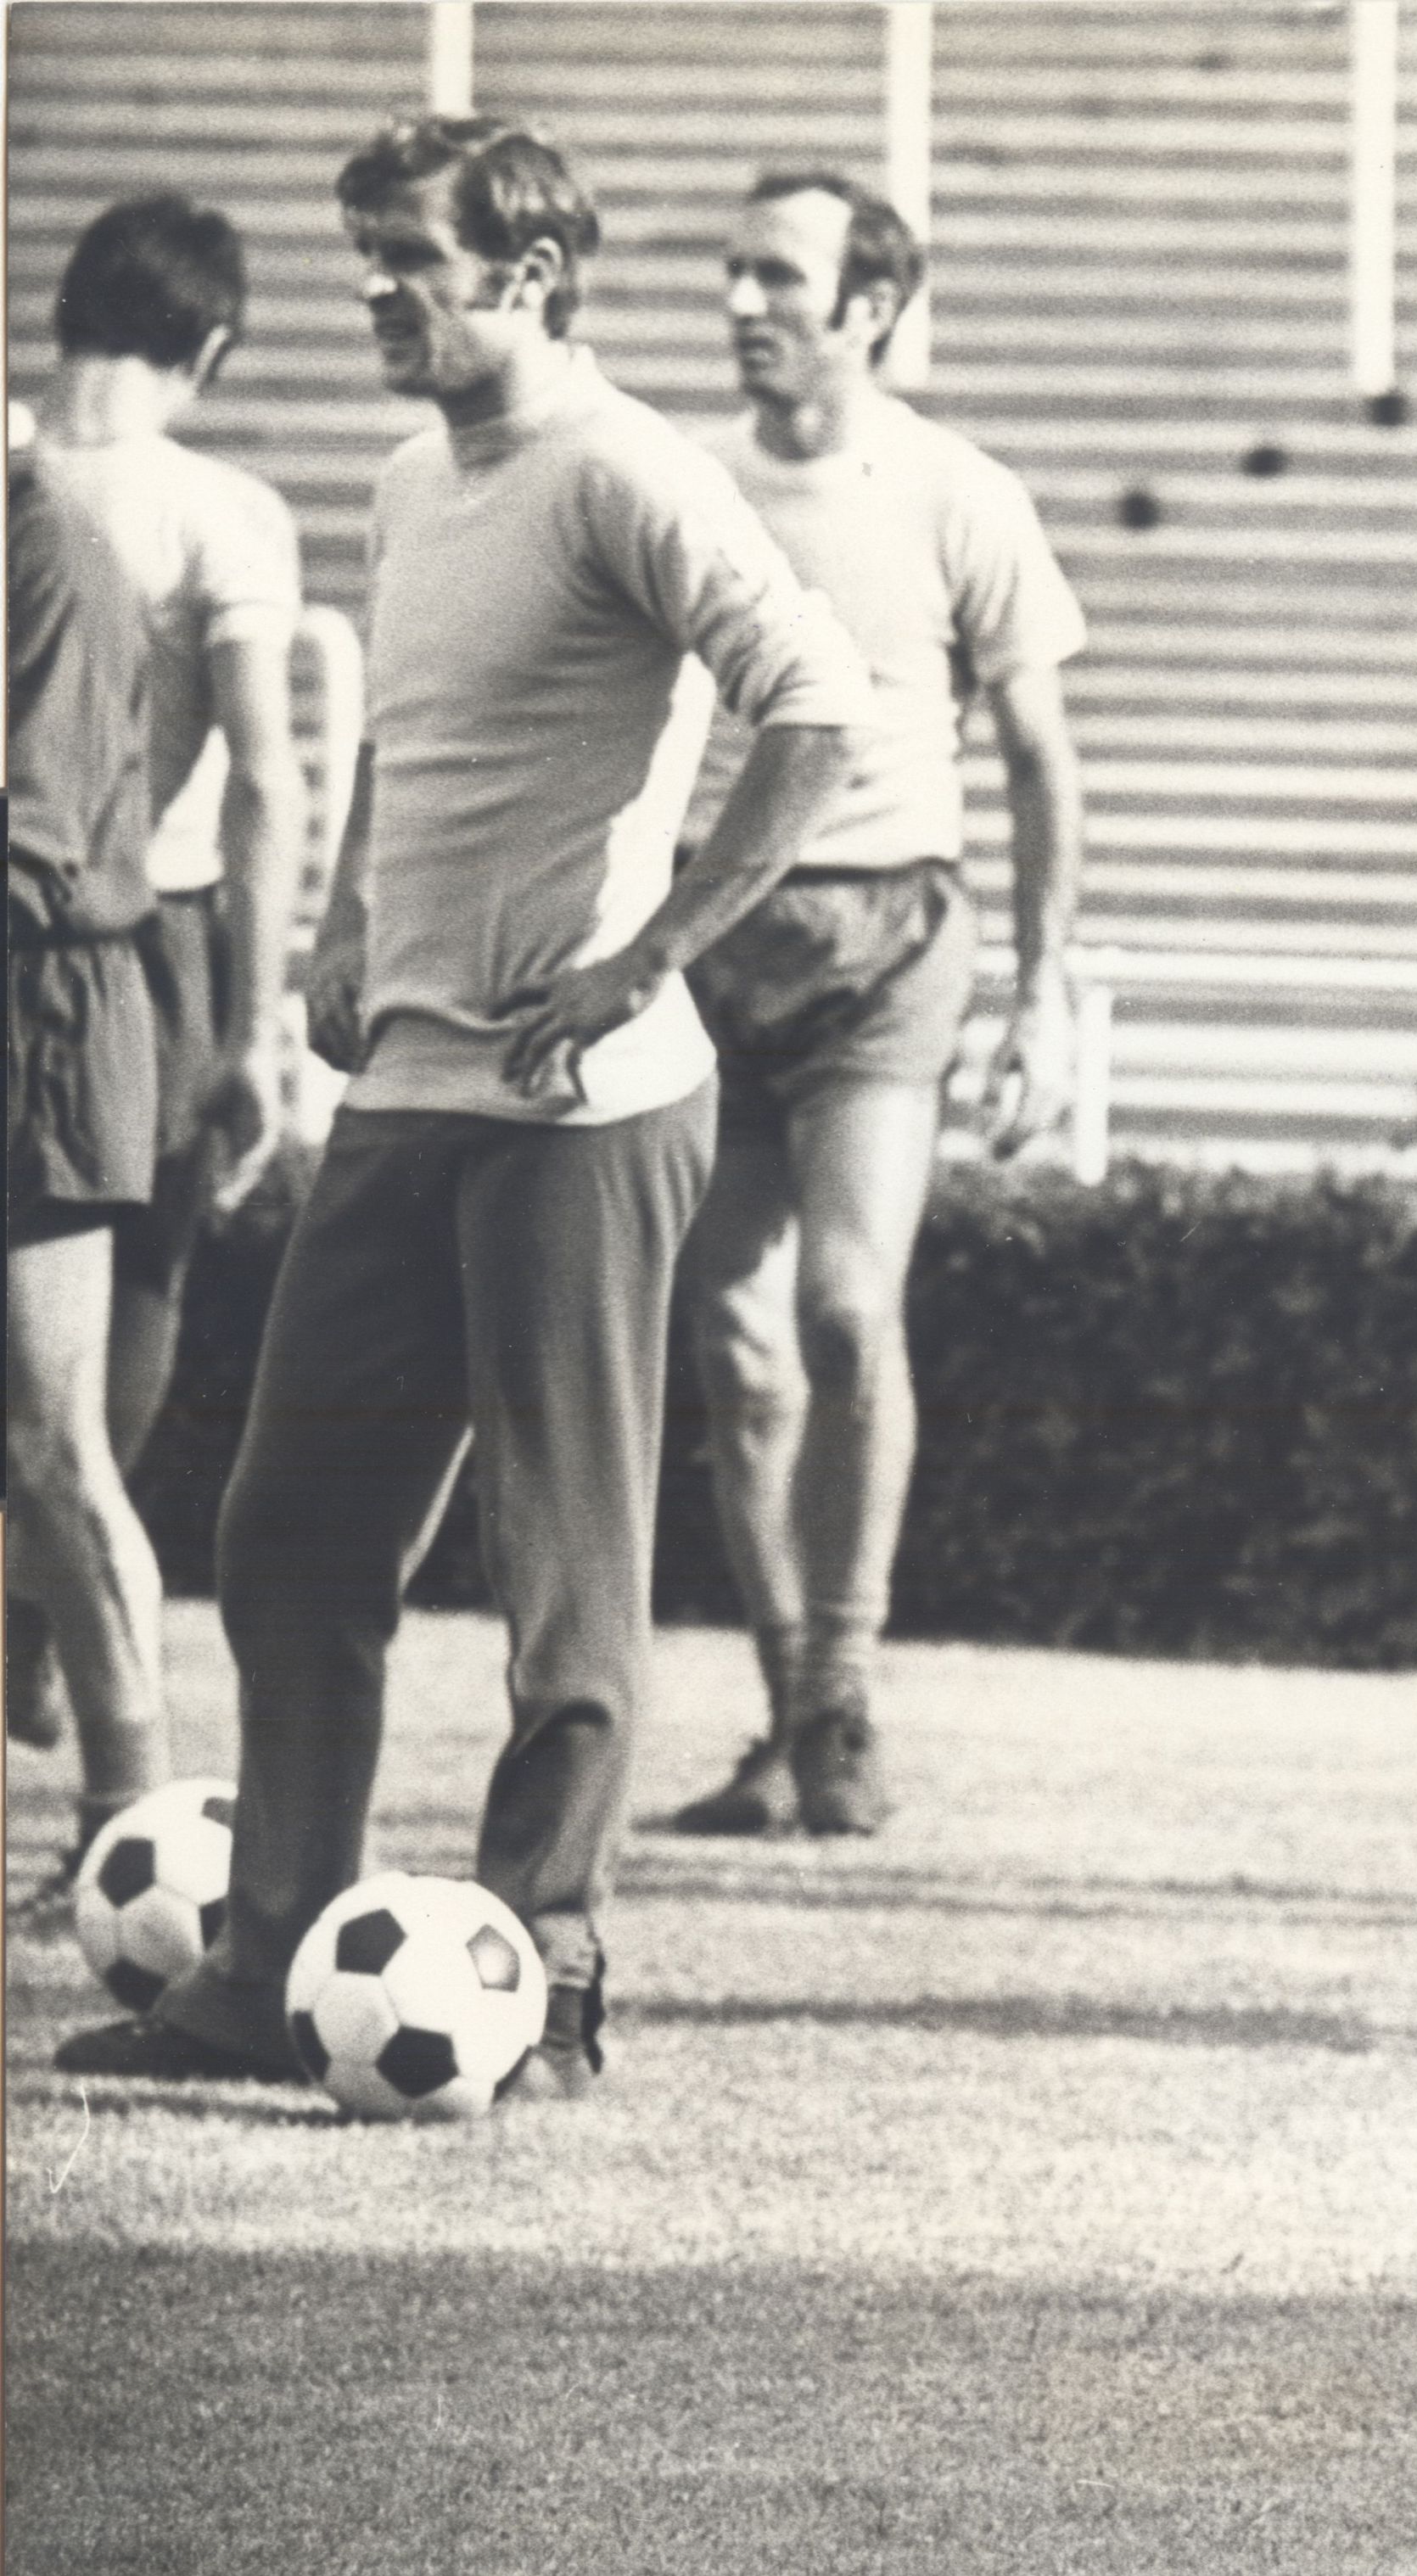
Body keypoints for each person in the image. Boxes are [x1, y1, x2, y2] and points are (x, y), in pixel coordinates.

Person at [57, 112, 870, 2101]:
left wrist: (655, 953)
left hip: (583, 1109)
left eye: (407, 257)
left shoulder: (625, 467)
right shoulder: (411, 475)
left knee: (558, 1562)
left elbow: (819, 704)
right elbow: (404, 741)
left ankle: (550, 1968)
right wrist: (344, 918)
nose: (371, 292)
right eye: (363, 253)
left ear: (527, 272)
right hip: (405, 1085)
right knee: (290, 1531)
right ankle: (266, 1968)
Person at [656, 167, 1088, 1840]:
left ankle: (842, 1686)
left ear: (872, 307)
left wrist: (1042, 998)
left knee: (843, 1308)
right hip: (714, 930)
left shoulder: (957, 491)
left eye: (779, 276)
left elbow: (1041, 760)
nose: (742, 303)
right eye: (733, 271)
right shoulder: (684, 485)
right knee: (731, 1334)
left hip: (890, 932)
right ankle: (794, 1716)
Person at [6, 196, 305, 1770]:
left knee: (51, 1376)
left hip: (63, 926)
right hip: (144, 933)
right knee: (126, 1303)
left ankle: (47, 1623)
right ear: (212, 344)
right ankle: (49, 1614)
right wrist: (261, 1022)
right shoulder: (216, 509)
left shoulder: (29, 484)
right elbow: (264, 777)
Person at [8, 448, 172, 1877]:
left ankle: (133, 1822)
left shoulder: (45, 540)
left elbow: (35, 844)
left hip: (41, 1010)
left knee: (50, 1440)